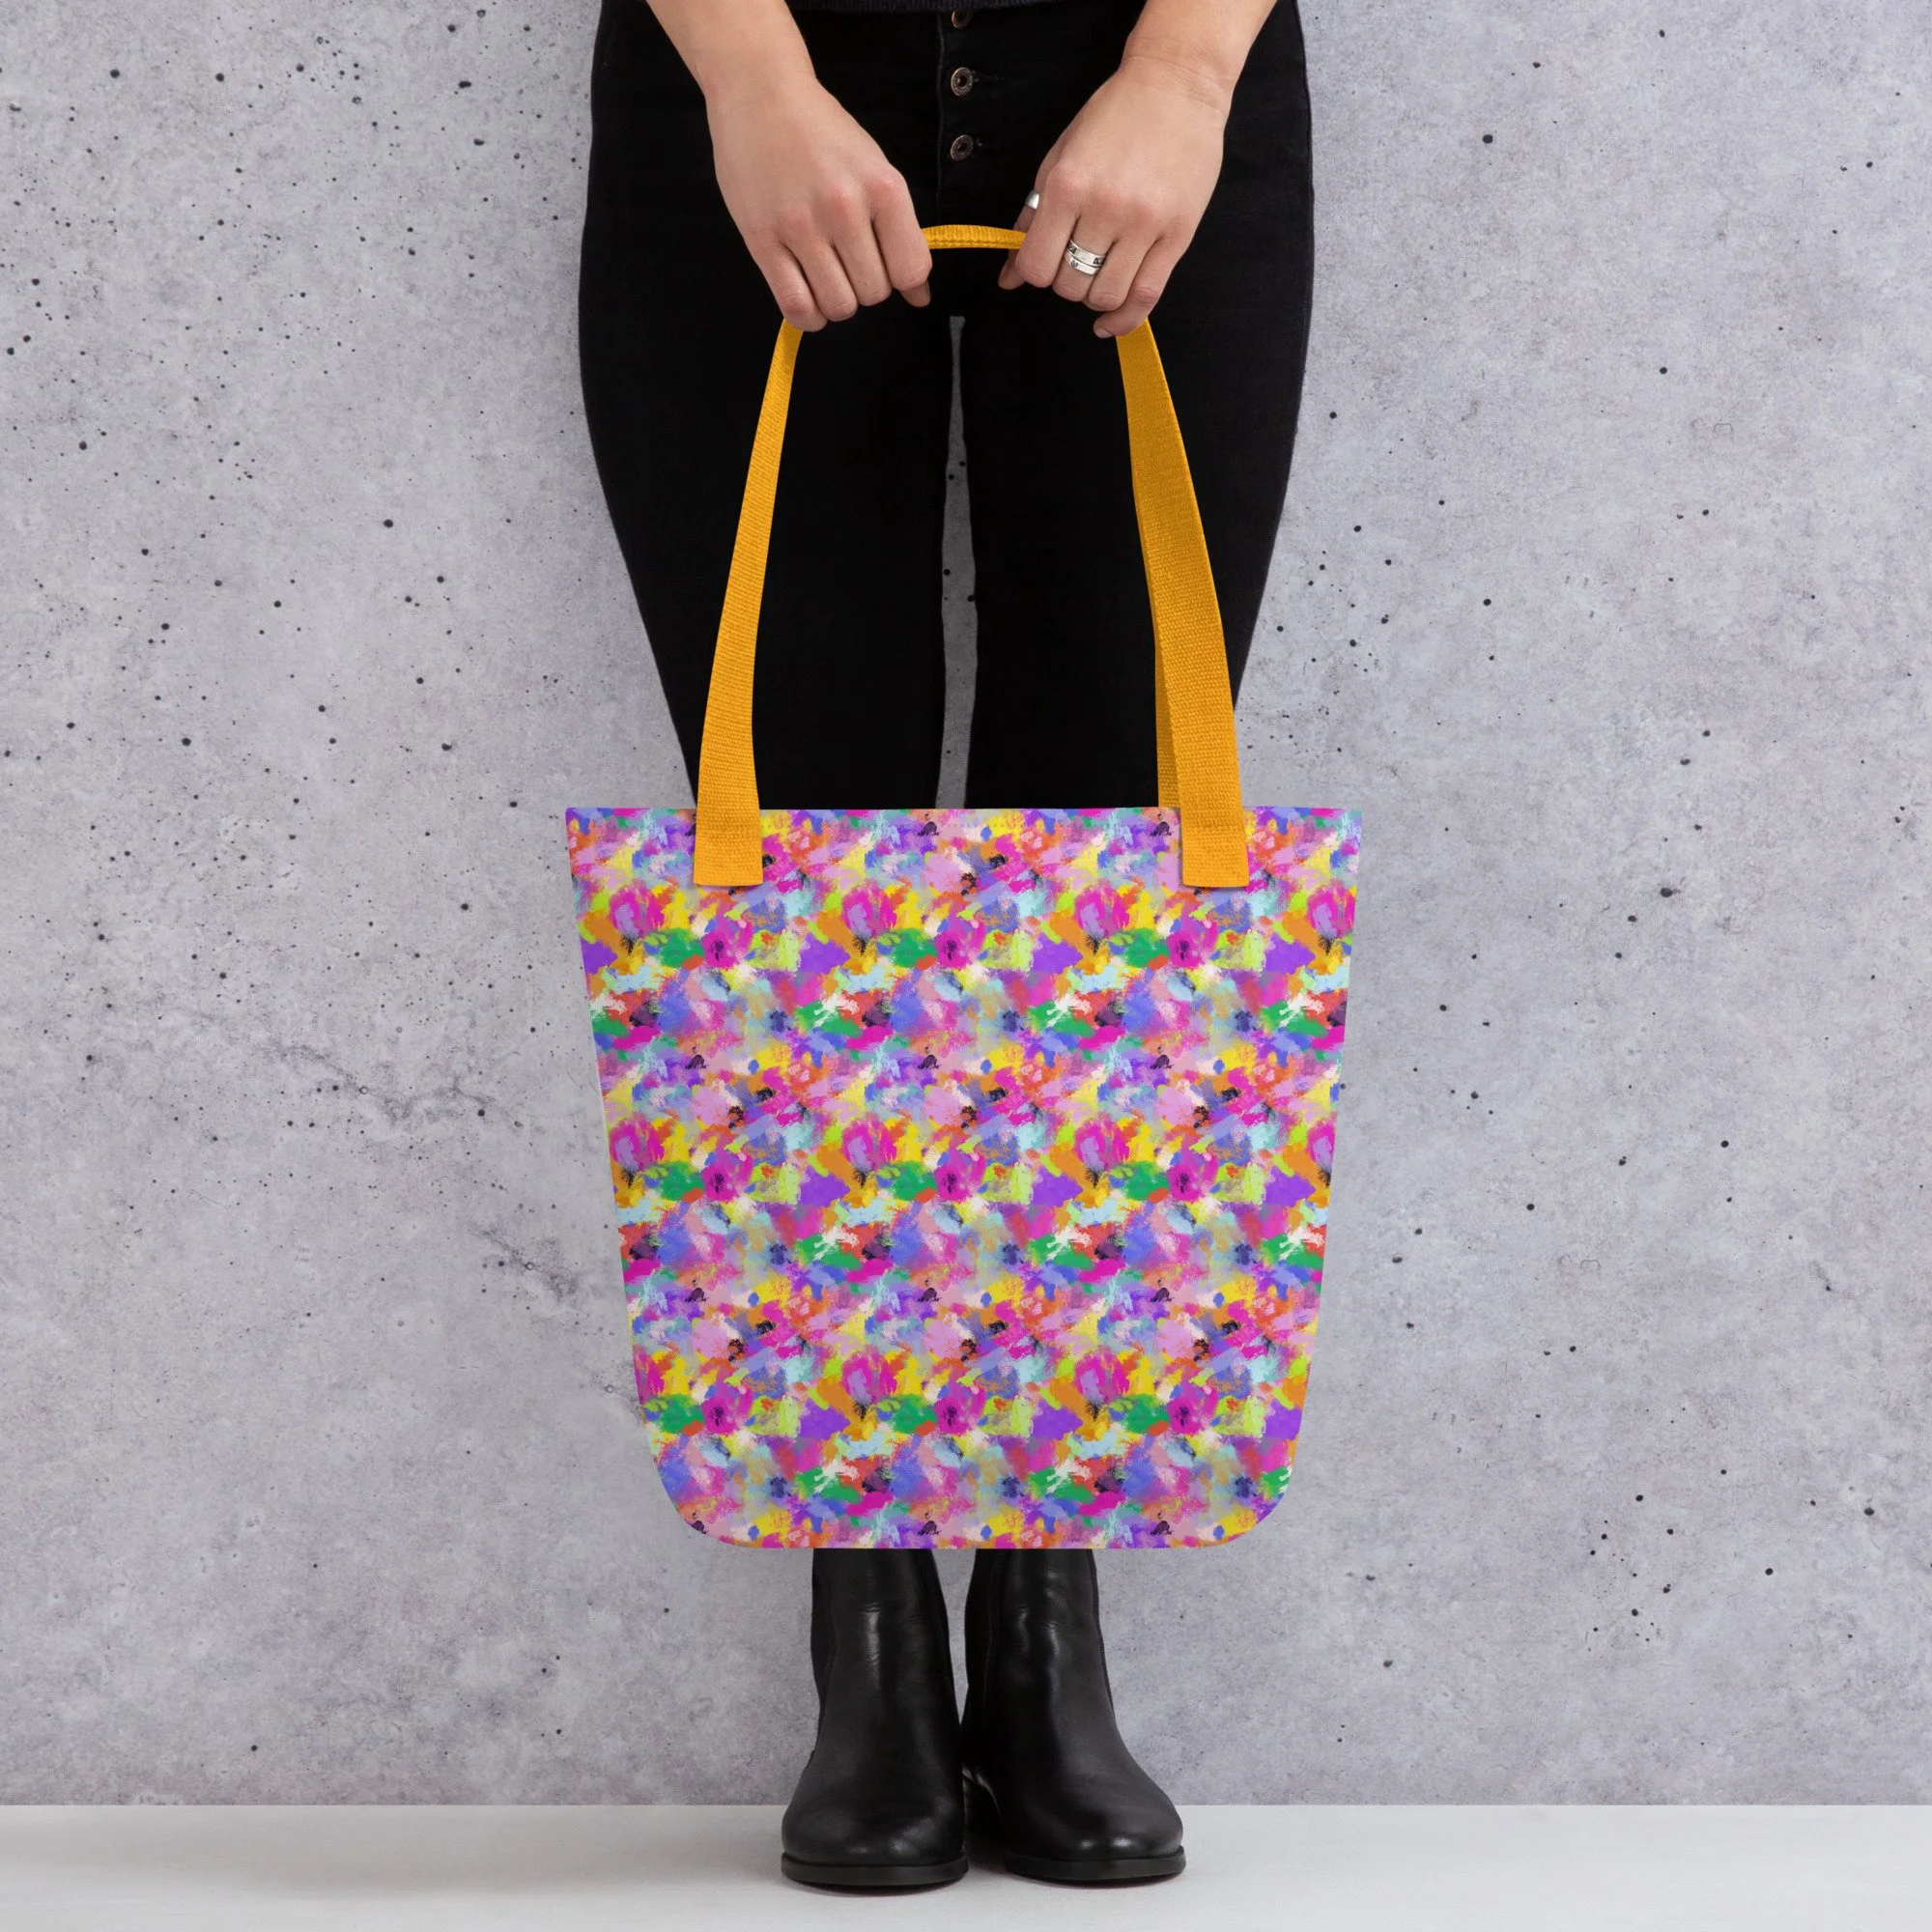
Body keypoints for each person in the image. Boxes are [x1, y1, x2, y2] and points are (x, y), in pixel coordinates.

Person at [578, 0, 1313, 1890]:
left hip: (1150, 71)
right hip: (755, 77)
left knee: (1111, 911)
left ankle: (1044, 1617)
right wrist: (752, 80)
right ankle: (873, 1629)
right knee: (797, 897)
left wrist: (1185, 75)